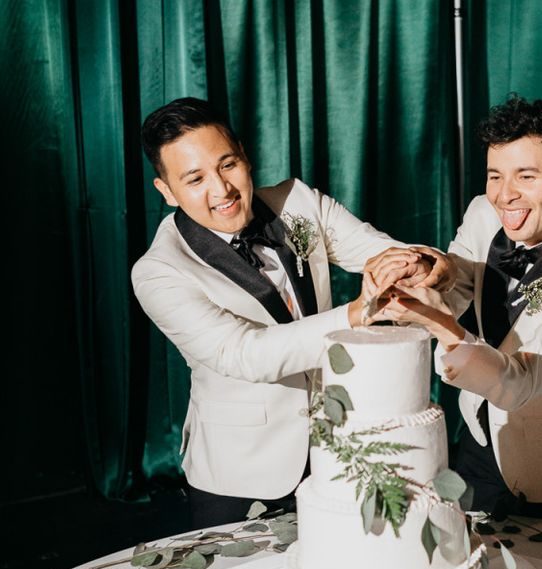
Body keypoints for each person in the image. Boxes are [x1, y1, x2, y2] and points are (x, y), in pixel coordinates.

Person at [133, 97, 453, 527]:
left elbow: (380, 249)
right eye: (195, 179)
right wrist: (355, 314)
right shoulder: (157, 271)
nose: (222, 189)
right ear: (167, 191)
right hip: (241, 473)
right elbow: (245, 353)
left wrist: (414, 263)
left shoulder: (298, 202)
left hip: (341, 454)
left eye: (228, 165)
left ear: (244, 155)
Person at [373, 95, 542, 526]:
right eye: (495, 175)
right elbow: (458, 279)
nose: (504, 194)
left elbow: (523, 381)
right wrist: (427, 268)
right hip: (479, 434)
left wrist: (440, 326)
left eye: (526, 176)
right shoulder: (483, 212)